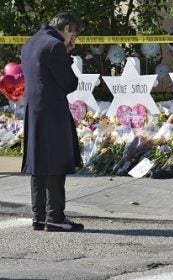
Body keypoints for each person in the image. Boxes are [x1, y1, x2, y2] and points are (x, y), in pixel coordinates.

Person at [21, 12, 84, 232]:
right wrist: (67, 54)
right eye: (73, 34)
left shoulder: (30, 43)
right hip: (52, 111)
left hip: (34, 111)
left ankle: (39, 217)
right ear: (66, 28)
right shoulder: (55, 46)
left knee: (38, 164)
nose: (72, 39)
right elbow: (68, 83)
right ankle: (55, 217)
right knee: (56, 163)